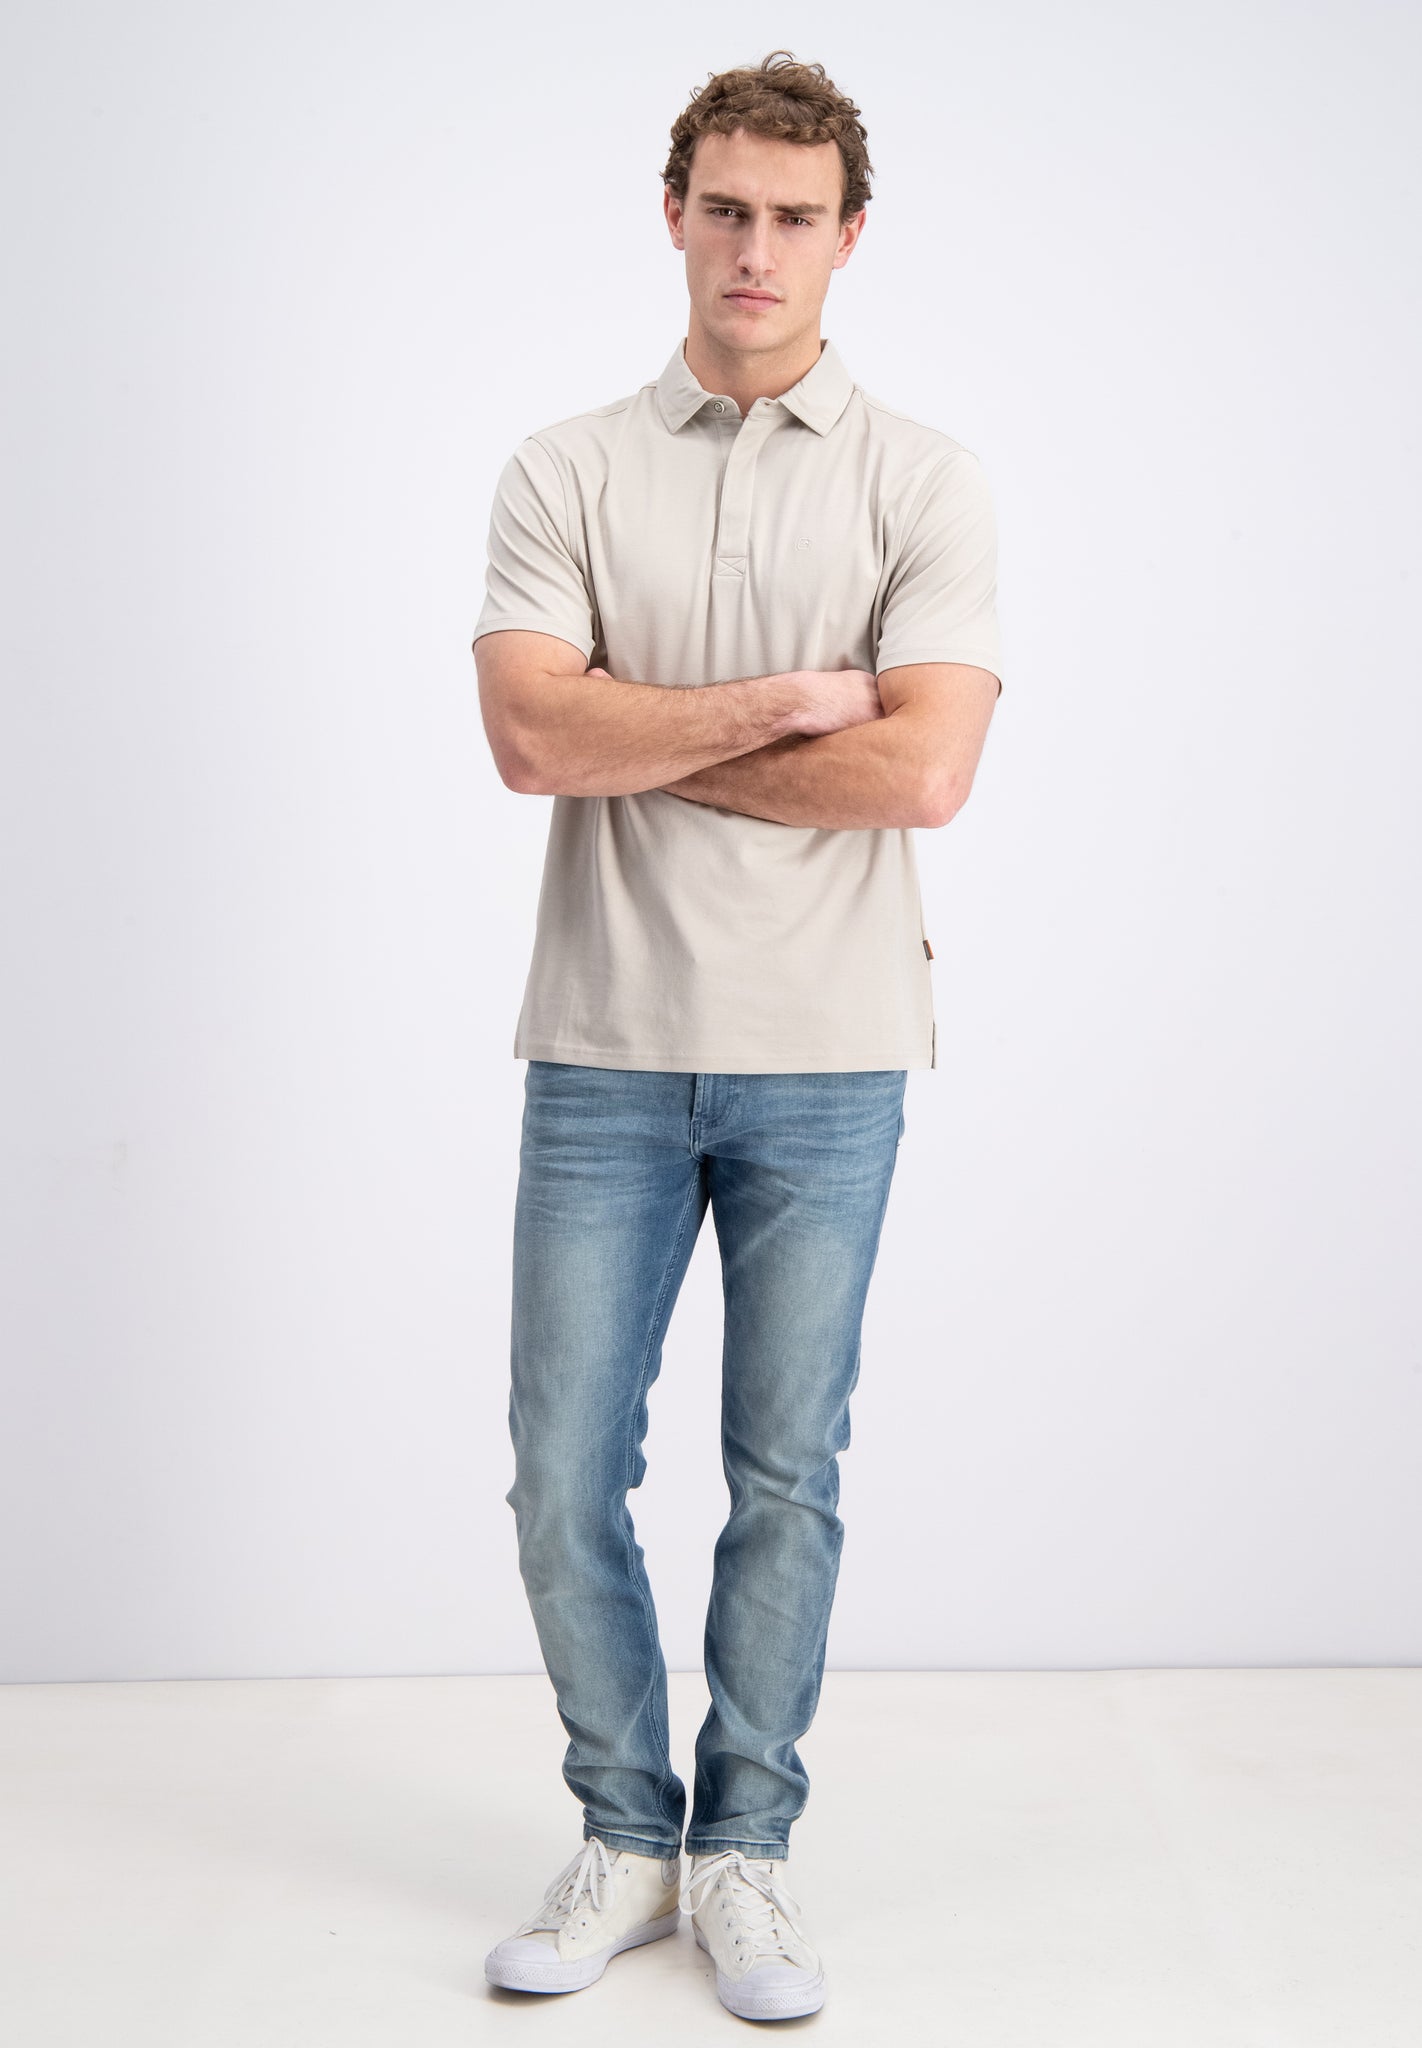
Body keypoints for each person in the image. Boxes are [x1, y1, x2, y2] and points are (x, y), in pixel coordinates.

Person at [471, 49, 1003, 2022]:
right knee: (559, 1469)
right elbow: (529, 736)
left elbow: (923, 776)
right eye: (724, 209)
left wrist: (635, 726)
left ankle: (745, 1848)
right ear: (673, 215)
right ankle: (626, 1832)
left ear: (849, 237)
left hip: (831, 1050)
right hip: (603, 1043)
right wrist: (787, 703)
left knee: (785, 1473)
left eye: (792, 217)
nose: (754, 248)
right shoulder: (565, 468)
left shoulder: (922, 479)